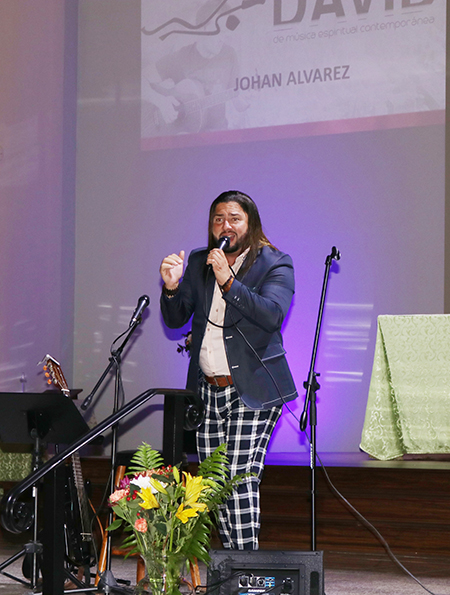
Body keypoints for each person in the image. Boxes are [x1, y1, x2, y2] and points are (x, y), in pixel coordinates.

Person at [159, 190, 297, 550]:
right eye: (218, 219)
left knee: (239, 475)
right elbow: (176, 319)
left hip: (254, 387)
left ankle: (245, 565)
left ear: (250, 224)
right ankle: (231, 566)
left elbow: (271, 315)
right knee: (214, 480)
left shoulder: (274, 263)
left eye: (234, 218)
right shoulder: (201, 261)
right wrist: (172, 287)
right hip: (207, 389)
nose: (225, 226)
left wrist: (229, 281)